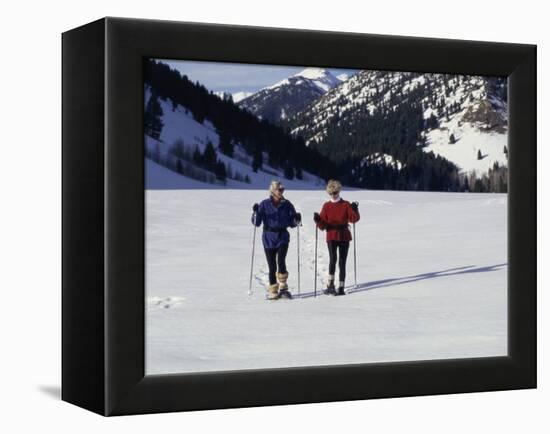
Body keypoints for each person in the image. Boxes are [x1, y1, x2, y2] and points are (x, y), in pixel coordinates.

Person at [252, 180, 301, 300]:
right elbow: (256, 223)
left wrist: (297, 219)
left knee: (281, 261)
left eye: (283, 189)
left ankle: (283, 288)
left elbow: (293, 223)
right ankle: (273, 290)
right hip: (268, 237)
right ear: (273, 191)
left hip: (282, 236)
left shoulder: (287, 204)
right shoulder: (264, 204)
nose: (282, 191)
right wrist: (255, 212)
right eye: (280, 190)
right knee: (272, 266)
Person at [313, 180, 360, 296]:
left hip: (344, 235)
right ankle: (330, 285)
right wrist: (318, 220)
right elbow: (323, 226)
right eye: (331, 193)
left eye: (335, 192)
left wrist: (355, 209)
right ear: (329, 193)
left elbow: (354, 219)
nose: (334, 195)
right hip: (331, 235)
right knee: (333, 259)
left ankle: (341, 287)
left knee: (342, 262)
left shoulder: (346, 204)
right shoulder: (326, 206)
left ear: (339, 191)